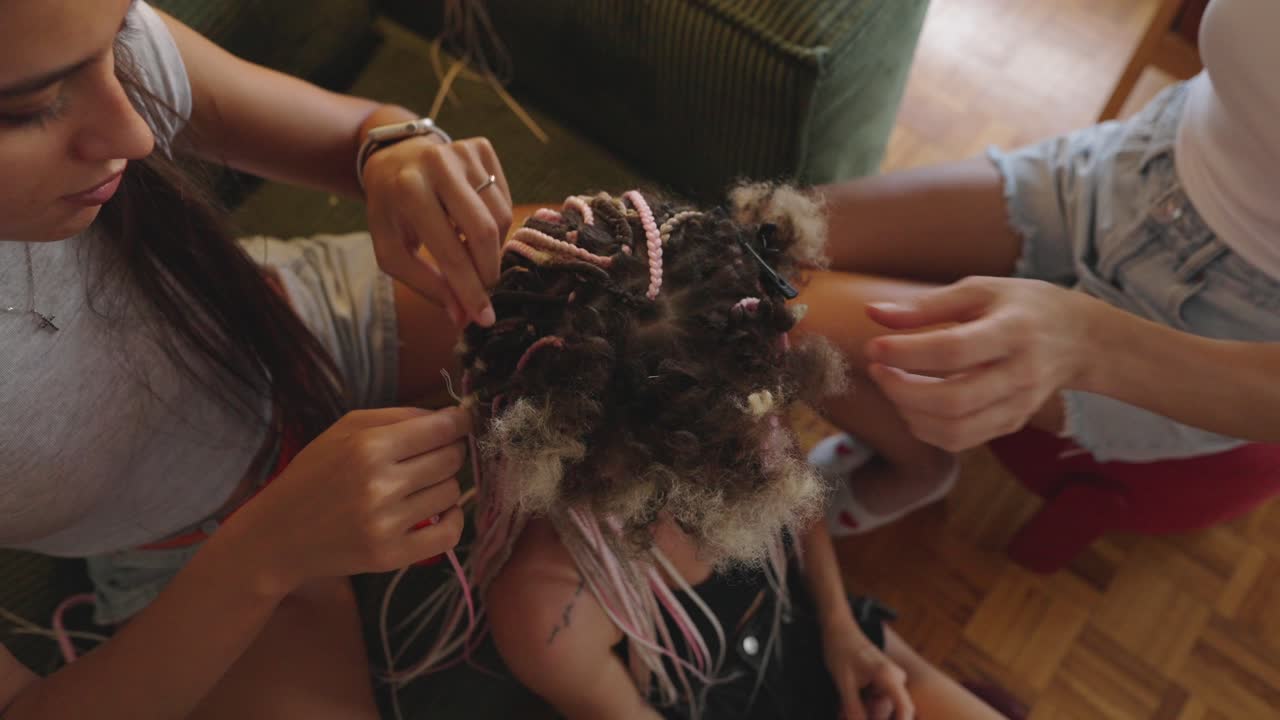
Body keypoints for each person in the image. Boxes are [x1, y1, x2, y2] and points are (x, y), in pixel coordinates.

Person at [0, 1, 511, 717]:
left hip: (295, 328)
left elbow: (360, 131)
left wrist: (398, 149)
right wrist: (266, 554)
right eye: (31, 108)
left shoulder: (57, 30)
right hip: (194, 561)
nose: (137, 134)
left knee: (639, 291)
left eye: (117, 45)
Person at [394, 188, 1008, 720]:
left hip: (819, 634)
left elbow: (794, 508)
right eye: (729, 462)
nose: (763, 443)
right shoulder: (546, 608)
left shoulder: (738, 414)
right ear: (604, 468)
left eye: (759, 422)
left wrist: (842, 629)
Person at [799, 0, 1280, 534]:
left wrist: (1087, 342)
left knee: (762, 310)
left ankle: (917, 467)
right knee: (765, 248)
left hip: (1214, 324)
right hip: (1129, 167)